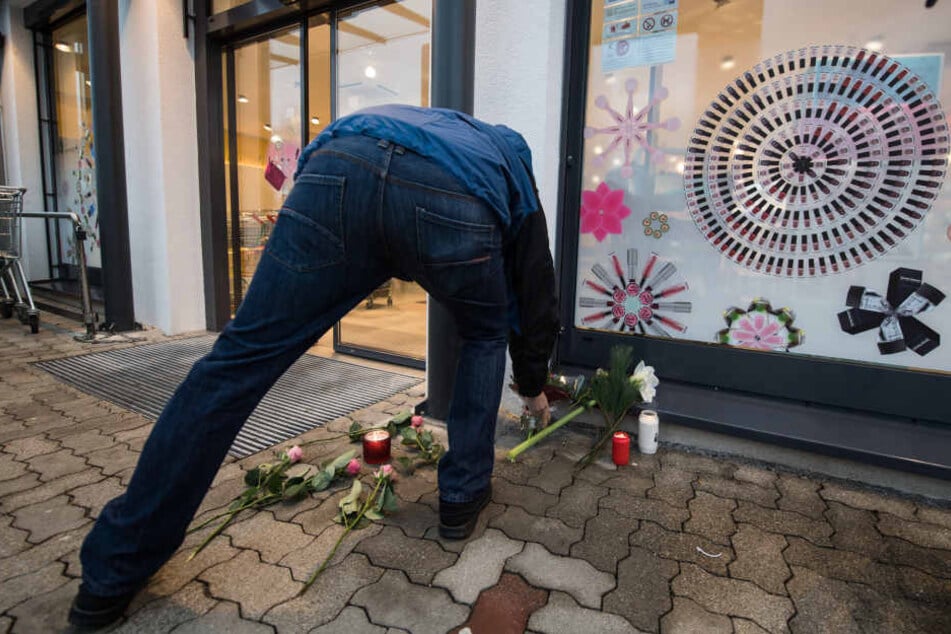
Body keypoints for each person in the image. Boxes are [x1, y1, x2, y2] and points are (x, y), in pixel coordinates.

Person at [68, 104, 560, 629]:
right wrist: (531, 384)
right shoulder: (510, 158)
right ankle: (462, 498)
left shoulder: (429, 123)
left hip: (336, 168)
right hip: (448, 200)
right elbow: (533, 284)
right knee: (483, 333)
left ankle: (112, 574)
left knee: (239, 360)